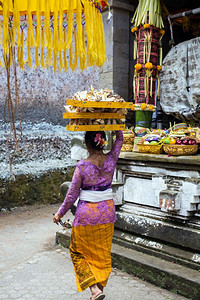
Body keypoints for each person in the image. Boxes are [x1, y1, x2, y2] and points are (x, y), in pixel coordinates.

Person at [53, 130, 123, 300]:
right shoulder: (111, 159)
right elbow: (120, 139)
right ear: (103, 142)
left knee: (77, 251)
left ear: (86, 144)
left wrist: (59, 214)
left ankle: (94, 289)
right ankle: (97, 291)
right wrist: (114, 123)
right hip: (107, 213)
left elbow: (72, 195)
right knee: (102, 253)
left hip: (87, 215)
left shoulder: (82, 166)